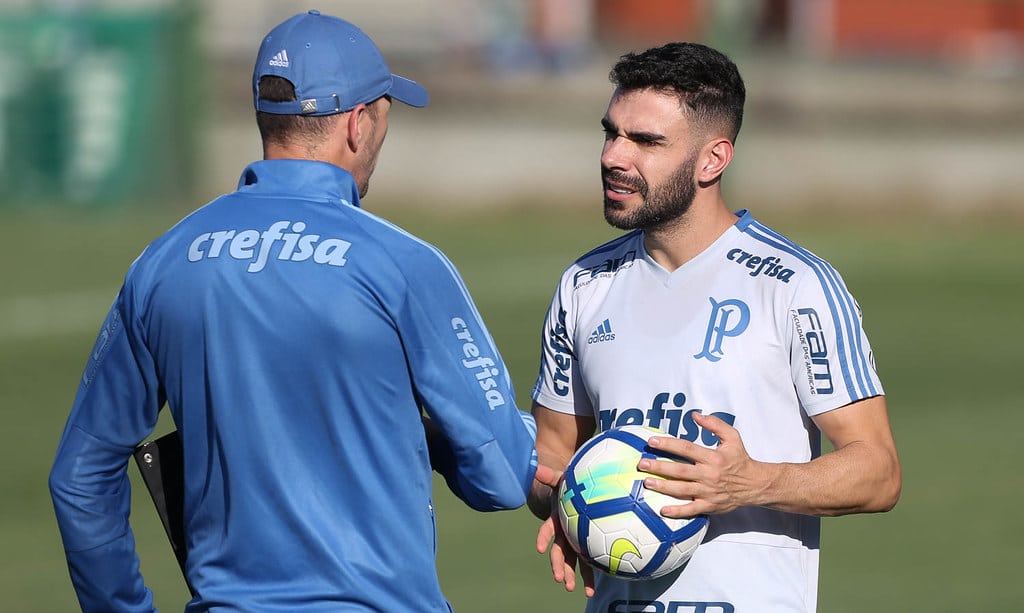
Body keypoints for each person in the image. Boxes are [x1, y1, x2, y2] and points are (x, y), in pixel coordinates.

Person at [49, 10, 554, 612]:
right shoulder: (403, 264)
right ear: (357, 124)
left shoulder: (163, 261)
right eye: (384, 114)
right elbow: (501, 476)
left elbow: (79, 477)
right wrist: (433, 437)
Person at [528, 42, 901, 612]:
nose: (614, 156)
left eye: (646, 141)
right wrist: (570, 503)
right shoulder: (583, 285)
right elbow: (552, 459)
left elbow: (878, 471)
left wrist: (753, 482)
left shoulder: (795, 286)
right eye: (611, 133)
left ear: (713, 160)